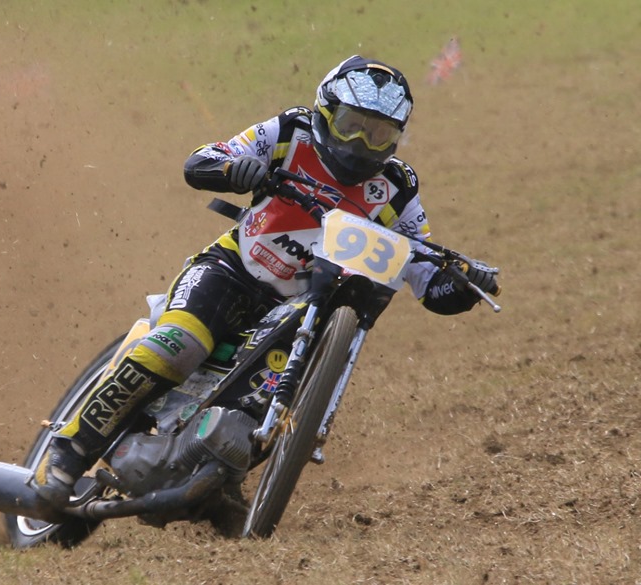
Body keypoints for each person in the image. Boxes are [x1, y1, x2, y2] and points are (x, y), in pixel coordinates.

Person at [30, 55, 500, 506]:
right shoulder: (290, 131)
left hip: (300, 308)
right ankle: (67, 453)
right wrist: (234, 168)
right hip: (232, 270)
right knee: (179, 346)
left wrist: (461, 282)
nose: (360, 143)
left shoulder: (398, 187)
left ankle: (220, 473)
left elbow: (424, 270)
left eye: (378, 134)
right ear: (325, 113)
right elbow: (201, 160)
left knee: (268, 397)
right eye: (351, 126)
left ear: (397, 137)